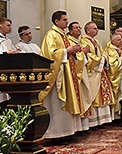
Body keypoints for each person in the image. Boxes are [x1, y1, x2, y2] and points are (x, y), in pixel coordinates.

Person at [39, 11, 89, 139]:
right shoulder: (51, 35)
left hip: (67, 73)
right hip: (58, 76)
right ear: (57, 21)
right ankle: (56, 132)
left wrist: (74, 51)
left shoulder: (63, 36)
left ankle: (67, 131)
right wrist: (67, 51)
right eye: (65, 20)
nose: (67, 22)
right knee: (56, 103)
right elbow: (49, 54)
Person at [81, 22, 116, 127]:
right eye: (95, 28)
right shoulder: (84, 41)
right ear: (88, 31)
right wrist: (100, 60)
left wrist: (104, 58)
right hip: (92, 72)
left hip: (100, 72)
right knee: (93, 95)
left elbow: (102, 52)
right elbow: (88, 55)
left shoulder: (95, 41)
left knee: (102, 95)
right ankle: (93, 121)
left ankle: (102, 120)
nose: (97, 30)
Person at [104, 33, 122, 114]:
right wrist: (121, 57)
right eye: (118, 40)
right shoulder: (110, 50)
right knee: (118, 92)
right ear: (113, 41)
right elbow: (112, 65)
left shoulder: (118, 49)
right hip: (116, 76)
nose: (120, 41)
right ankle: (116, 112)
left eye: (121, 39)